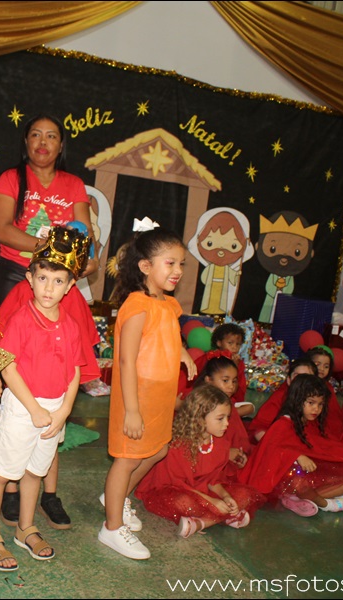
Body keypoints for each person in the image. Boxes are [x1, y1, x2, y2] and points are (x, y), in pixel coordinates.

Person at [0, 114, 98, 529]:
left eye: (52, 136)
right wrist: (51, 251)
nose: (43, 142)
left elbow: (87, 239)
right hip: (19, 273)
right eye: (35, 135)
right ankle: (2, 467)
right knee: (4, 359)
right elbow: (1, 229)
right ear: (25, 141)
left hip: (57, 277)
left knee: (64, 364)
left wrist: (76, 260)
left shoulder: (73, 184)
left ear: (61, 144)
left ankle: (48, 490)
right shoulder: (11, 178)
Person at [0, 227, 87, 569]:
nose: (49, 288)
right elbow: (8, 368)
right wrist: (35, 408)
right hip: (23, 407)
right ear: (30, 279)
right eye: (42, 279)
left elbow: (75, 371)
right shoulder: (22, 320)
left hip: (54, 410)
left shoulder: (70, 324)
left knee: (34, 472)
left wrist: (64, 410)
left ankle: (25, 528)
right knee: (2, 471)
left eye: (58, 281)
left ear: (70, 286)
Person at [98, 226, 197, 560]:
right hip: (137, 396)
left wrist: (183, 353)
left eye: (181, 264)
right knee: (127, 459)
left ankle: (115, 498)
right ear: (145, 266)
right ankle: (111, 528)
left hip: (160, 396)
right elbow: (126, 360)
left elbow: (169, 335)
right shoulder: (137, 305)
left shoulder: (169, 304)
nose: (178, 271)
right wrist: (131, 410)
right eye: (170, 263)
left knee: (157, 450)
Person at [135, 385, 265, 537]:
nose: (226, 424)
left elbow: (213, 481)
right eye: (220, 419)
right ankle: (225, 517)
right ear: (200, 419)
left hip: (201, 490)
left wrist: (225, 497)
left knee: (244, 495)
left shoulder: (220, 443)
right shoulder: (178, 444)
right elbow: (175, 484)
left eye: (227, 418)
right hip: (172, 490)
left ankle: (202, 522)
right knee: (184, 503)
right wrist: (211, 501)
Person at [240, 375, 343, 517]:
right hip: (282, 480)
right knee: (299, 483)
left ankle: (296, 500)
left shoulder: (309, 423)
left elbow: (326, 446)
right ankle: (325, 504)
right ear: (297, 400)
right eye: (311, 403)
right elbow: (270, 452)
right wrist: (297, 456)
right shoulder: (282, 424)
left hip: (303, 477)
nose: (316, 409)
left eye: (320, 404)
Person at [194, 354, 251, 471]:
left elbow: (238, 438)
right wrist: (225, 453)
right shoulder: (199, 406)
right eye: (225, 380)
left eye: (234, 381)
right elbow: (197, 447)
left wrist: (239, 455)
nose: (231, 386)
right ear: (208, 380)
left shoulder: (228, 404)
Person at [246, 358, 317, 443]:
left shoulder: (319, 399)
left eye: (306, 377)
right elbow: (259, 429)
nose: (300, 381)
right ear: (289, 380)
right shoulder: (281, 397)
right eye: (297, 376)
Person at [304, 346, 343, 437]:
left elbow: (334, 414)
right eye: (317, 364)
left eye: (326, 366)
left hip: (326, 427)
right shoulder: (302, 383)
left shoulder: (328, 386)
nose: (321, 369)